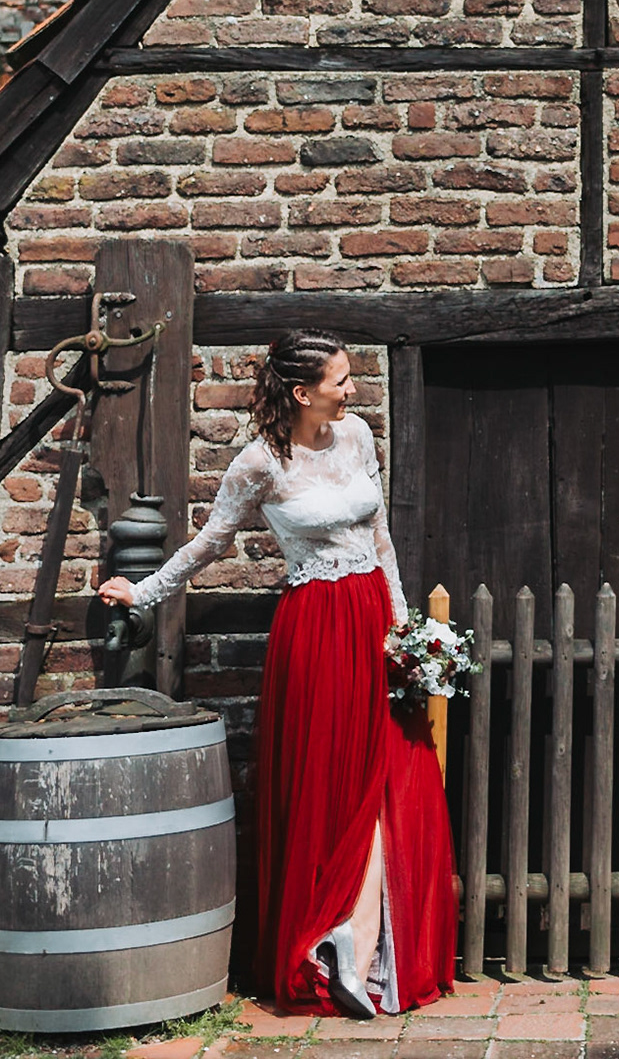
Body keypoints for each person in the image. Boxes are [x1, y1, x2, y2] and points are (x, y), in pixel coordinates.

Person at [99, 329, 455, 1017]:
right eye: (340, 380)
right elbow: (210, 543)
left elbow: (380, 538)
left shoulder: (358, 437)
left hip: (372, 617)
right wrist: (142, 592)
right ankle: (340, 938)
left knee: (389, 772)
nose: (352, 390)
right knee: (337, 780)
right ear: (301, 392)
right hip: (316, 627)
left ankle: (356, 941)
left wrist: (405, 627)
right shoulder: (259, 464)